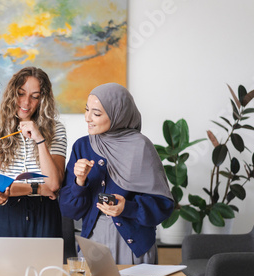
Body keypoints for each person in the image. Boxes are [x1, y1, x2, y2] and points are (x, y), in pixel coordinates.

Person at [59, 83, 174, 264]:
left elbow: (163, 206)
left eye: (96, 113)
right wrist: (79, 181)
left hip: (133, 245)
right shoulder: (82, 146)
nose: (87, 118)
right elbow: (68, 209)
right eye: (86, 110)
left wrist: (127, 207)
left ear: (117, 114)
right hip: (93, 241)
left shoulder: (141, 147)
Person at [0, 67, 67, 237]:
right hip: (8, 211)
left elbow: (53, 184)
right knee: (1, 264)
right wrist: (38, 188)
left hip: (46, 213)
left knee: (46, 264)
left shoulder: (56, 129)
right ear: (12, 94)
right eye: (21, 93)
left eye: (34, 96)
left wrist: (39, 139)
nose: (26, 102)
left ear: (42, 99)